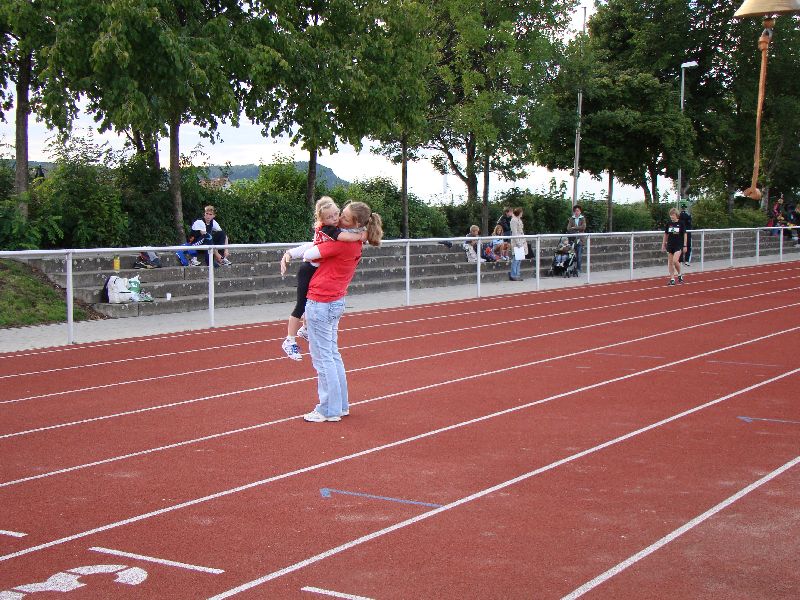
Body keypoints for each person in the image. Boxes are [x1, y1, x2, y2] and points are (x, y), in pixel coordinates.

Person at [301, 201, 384, 422]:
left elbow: (309, 254)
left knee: (323, 359)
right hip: (335, 301)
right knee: (332, 355)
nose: (338, 220)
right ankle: (340, 405)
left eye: (344, 217)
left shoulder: (340, 244)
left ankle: (328, 409)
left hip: (321, 301)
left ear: (355, 224)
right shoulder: (356, 242)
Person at [279, 197, 364, 361]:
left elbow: (313, 244)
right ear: (322, 220)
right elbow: (343, 238)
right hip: (308, 270)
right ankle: (289, 340)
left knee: (308, 303)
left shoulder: (331, 228)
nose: (335, 219)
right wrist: (362, 235)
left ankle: (305, 329)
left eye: (336, 214)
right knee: (301, 305)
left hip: (315, 270)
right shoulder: (329, 229)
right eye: (329, 217)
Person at [661, 207, 687, 286]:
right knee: (670, 262)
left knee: (675, 261)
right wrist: (663, 244)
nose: (671, 216)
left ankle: (679, 274)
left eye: (673, 215)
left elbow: (685, 234)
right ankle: (672, 279)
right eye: (670, 215)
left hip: (678, 245)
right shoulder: (669, 224)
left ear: (676, 215)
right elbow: (666, 234)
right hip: (670, 245)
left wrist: (685, 245)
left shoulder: (681, 223)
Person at [566, 204, 586, 274]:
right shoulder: (571, 219)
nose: (577, 212)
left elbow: (583, 227)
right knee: (571, 254)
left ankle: (579, 269)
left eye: (578, 211)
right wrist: (578, 228)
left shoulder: (582, 218)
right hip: (572, 239)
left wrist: (574, 228)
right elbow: (568, 228)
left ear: (580, 211)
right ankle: (570, 268)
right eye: (576, 211)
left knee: (579, 255)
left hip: (580, 239)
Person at [509, 207, 525, 281]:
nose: (522, 213)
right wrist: (518, 243)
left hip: (521, 241)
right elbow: (514, 232)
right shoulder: (514, 220)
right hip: (516, 242)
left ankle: (517, 274)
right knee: (516, 259)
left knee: (519, 259)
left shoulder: (519, 220)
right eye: (521, 212)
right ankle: (513, 275)